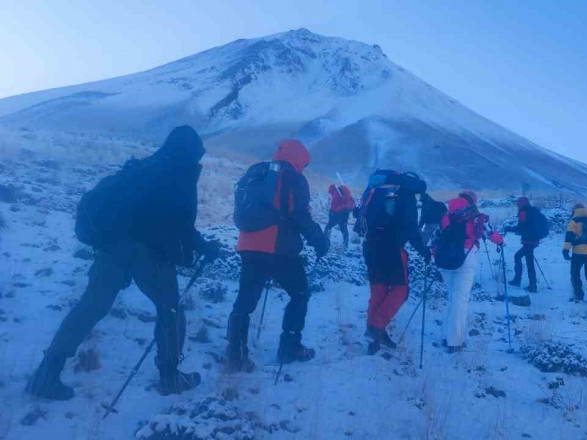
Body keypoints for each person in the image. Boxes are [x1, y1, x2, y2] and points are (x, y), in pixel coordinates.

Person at [26, 125, 217, 400]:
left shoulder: (144, 168)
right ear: (190, 151)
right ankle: (170, 377)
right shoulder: (178, 171)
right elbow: (180, 224)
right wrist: (204, 246)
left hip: (111, 248)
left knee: (90, 307)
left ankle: (46, 374)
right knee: (170, 310)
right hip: (147, 253)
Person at [229, 140, 329, 371]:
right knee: (300, 293)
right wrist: (319, 241)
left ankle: (235, 353)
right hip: (278, 247)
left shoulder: (257, 172)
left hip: (248, 244)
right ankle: (290, 347)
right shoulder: (293, 177)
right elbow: (300, 216)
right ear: (300, 159)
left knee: (244, 300)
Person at [358, 170, 431, 355]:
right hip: (392, 248)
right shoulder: (405, 193)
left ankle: (375, 337)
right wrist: (424, 251)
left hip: (370, 246)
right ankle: (376, 327)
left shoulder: (374, 190)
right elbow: (411, 227)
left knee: (378, 290)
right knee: (401, 290)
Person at [436, 190, 503, 352]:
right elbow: (491, 234)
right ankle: (455, 342)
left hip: (444, 260)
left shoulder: (446, 216)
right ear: (473, 201)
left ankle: (447, 336)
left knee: (452, 297)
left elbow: (435, 238)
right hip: (466, 257)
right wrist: (501, 241)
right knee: (461, 299)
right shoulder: (476, 216)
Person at [562, 203, 587, 302]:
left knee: (575, 274)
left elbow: (569, 236)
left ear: (574, 211)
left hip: (578, 252)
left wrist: (566, 250)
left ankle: (578, 295)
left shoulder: (574, 221)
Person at [509, 197, 540, 293]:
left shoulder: (523, 213)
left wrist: (509, 229)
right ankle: (529, 283)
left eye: (518, 204)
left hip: (528, 242)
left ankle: (526, 283)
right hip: (534, 240)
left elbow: (520, 229)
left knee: (523, 259)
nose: (517, 206)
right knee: (525, 259)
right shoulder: (532, 211)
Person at [324, 184, 355, 249]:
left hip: (338, 213)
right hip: (345, 213)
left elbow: (334, 205)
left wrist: (331, 212)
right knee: (344, 229)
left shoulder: (335, 193)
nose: (330, 194)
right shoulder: (342, 192)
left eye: (330, 193)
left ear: (331, 190)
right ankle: (346, 245)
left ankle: (324, 241)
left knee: (328, 227)